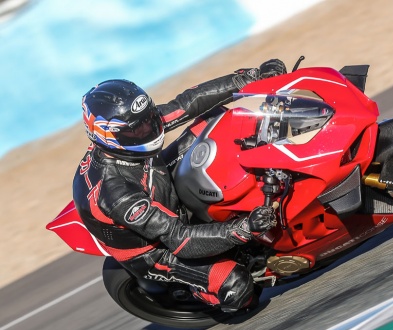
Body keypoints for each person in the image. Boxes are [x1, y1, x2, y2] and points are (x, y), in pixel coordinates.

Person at [73, 59, 287, 312]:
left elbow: (187, 103)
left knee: (214, 120)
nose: (148, 129)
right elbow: (177, 237)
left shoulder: (136, 127)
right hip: (157, 249)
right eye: (137, 129)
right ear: (109, 135)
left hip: (157, 184)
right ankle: (199, 290)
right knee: (237, 288)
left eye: (149, 118)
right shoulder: (116, 194)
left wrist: (249, 79)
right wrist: (243, 229)